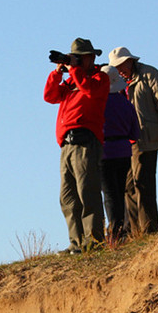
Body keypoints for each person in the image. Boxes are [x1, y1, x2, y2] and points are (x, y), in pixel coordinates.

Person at [44, 38, 109, 253]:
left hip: (85, 142)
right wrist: (58, 73)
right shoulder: (72, 81)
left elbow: (90, 90)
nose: (77, 62)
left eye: (80, 58)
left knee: (87, 192)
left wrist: (75, 70)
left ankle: (95, 240)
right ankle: (77, 243)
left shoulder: (99, 78)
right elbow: (50, 97)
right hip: (66, 144)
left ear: (91, 58)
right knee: (68, 196)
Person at [108, 46, 158, 235]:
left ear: (131, 60)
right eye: (117, 66)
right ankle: (134, 232)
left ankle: (149, 229)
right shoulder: (118, 82)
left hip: (146, 139)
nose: (120, 69)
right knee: (128, 186)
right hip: (125, 142)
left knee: (143, 184)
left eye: (122, 64)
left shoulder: (149, 75)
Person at [99, 65, 140, 240]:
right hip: (124, 151)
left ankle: (114, 231)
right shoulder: (126, 104)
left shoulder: (97, 103)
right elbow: (135, 133)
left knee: (109, 194)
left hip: (104, 152)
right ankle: (121, 228)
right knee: (120, 190)